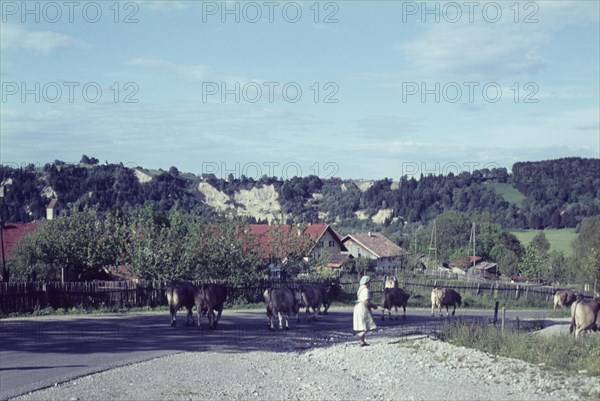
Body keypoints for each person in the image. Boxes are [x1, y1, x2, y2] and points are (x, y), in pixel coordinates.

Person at [353, 275, 378, 346]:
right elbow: (366, 301)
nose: (370, 284)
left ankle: (362, 341)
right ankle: (358, 336)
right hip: (362, 308)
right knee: (365, 325)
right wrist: (373, 306)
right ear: (367, 282)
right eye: (369, 282)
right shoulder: (365, 290)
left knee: (362, 325)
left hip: (358, 307)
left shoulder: (360, 289)